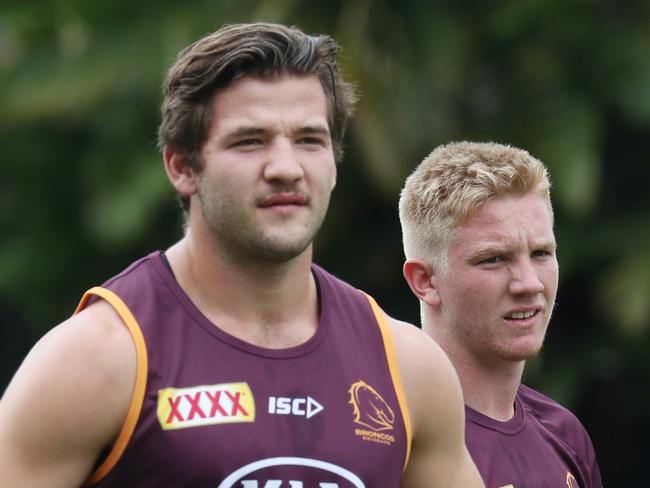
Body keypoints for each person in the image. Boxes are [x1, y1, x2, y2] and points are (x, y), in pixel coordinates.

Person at [0, 23, 483, 487]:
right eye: (250, 141)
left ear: (334, 163)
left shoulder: (407, 368)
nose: (285, 168)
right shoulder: (98, 359)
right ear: (182, 166)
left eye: (309, 140)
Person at [398, 141, 603, 487]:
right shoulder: (382, 435)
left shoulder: (566, 437)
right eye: (494, 259)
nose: (529, 283)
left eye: (540, 253)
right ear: (425, 281)